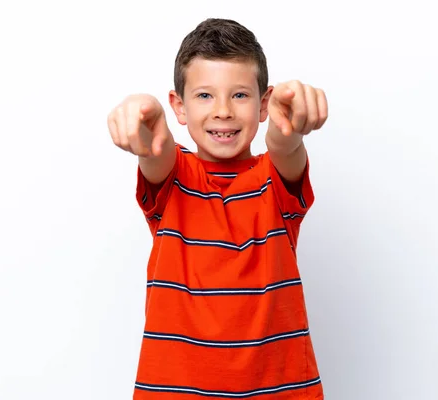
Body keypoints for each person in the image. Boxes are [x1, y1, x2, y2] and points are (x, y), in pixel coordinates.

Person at [107, 18, 328, 399]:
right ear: (179, 106)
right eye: (205, 95)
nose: (223, 110)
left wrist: (287, 117)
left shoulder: (274, 179)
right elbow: (155, 151)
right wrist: (144, 111)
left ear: (263, 104)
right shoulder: (173, 174)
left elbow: (284, 145)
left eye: (240, 95)